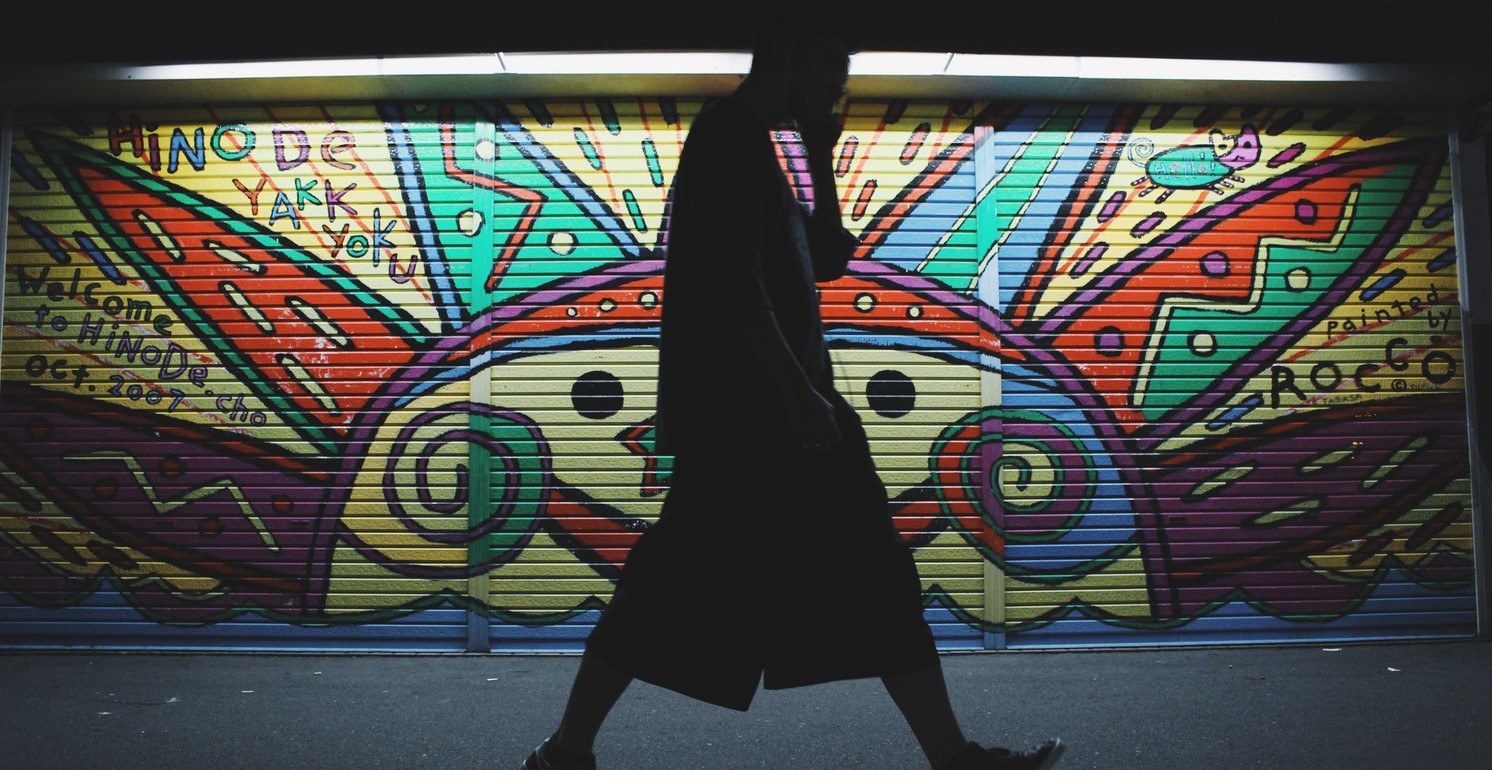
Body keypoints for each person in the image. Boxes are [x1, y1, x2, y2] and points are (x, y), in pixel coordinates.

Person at [521, 6, 1064, 770]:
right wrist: (795, 393)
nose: (836, 90)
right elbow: (736, 286)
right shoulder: (727, 139)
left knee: (842, 573)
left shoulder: (760, 152)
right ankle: (564, 751)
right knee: (687, 580)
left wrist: (816, 150)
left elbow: (828, 256)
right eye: (830, 71)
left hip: (775, 412)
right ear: (784, 53)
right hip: (754, 416)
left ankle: (566, 753)